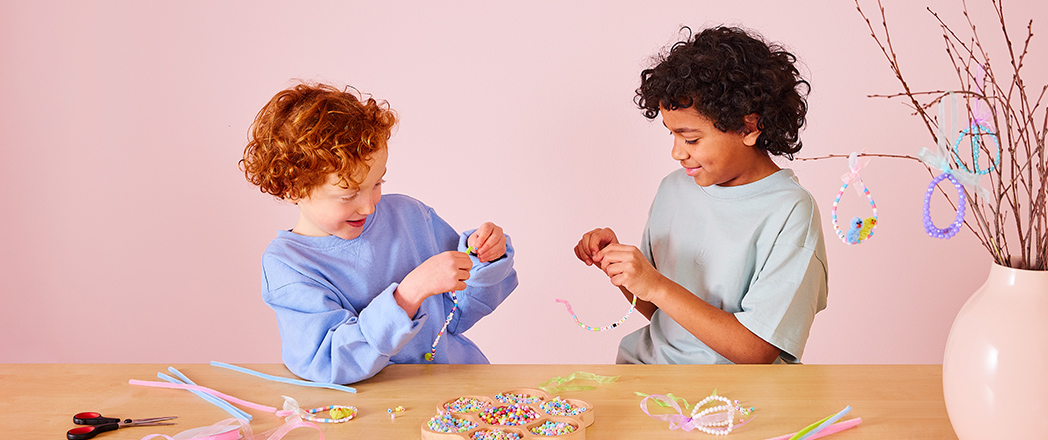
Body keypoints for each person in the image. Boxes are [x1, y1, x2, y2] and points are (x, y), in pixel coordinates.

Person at [574, 26, 827, 364]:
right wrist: (623, 270)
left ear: (749, 127)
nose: (677, 153)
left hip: (732, 402)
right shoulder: (674, 189)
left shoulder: (790, 211)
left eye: (690, 139)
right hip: (646, 376)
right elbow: (660, 310)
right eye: (672, 135)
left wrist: (656, 285)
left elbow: (757, 351)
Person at [241, 82, 517, 384]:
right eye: (348, 195)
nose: (369, 207)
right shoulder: (287, 265)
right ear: (294, 189)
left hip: (452, 393)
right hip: (370, 415)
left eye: (377, 184)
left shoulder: (410, 217)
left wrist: (485, 258)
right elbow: (330, 362)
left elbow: (458, 314)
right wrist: (408, 295)